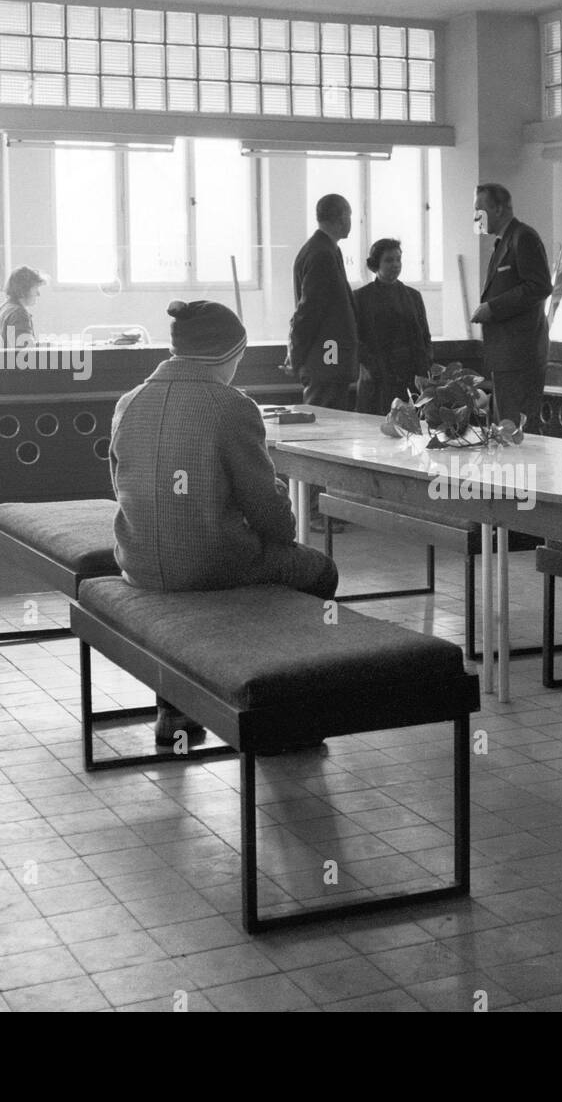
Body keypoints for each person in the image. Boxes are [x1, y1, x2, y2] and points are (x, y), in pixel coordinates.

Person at [110, 299, 339, 747]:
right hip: (211, 566)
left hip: (136, 562)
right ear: (228, 354)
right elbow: (269, 513)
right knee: (319, 571)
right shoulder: (231, 406)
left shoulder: (128, 402)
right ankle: (280, 708)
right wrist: (283, 530)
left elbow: (121, 485)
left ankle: (173, 708)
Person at [471, 183, 552, 432]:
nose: (476, 217)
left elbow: (539, 286)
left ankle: (526, 472)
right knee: (505, 427)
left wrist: (493, 308)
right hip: (505, 355)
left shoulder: (523, 237)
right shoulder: (502, 242)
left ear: (498, 209)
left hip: (520, 355)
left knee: (517, 431)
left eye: (479, 210)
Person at [289, 193, 359, 411]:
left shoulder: (324, 249)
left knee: (330, 417)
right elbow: (309, 311)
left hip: (329, 354)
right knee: (326, 421)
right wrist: (296, 354)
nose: (350, 222)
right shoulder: (322, 254)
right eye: (349, 216)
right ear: (341, 217)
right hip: (328, 356)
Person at [353, 238, 432, 416]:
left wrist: (424, 370)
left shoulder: (413, 296)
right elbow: (354, 337)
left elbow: (424, 337)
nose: (395, 264)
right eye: (389, 260)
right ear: (375, 264)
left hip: (409, 376)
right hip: (376, 375)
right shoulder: (361, 297)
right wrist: (364, 363)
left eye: (398, 259)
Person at [0, 266, 46, 346]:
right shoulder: (19, 313)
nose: (38, 294)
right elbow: (26, 352)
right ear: (24, 289)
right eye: (35, 288)